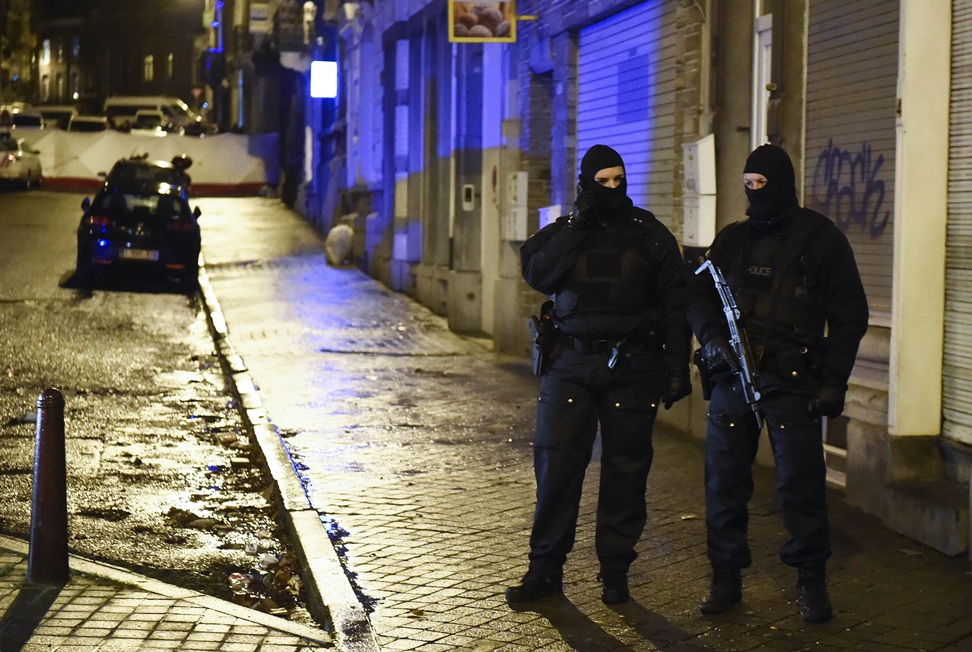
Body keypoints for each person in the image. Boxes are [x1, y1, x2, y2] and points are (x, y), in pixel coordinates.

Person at [687, 144, 869, 623]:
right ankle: (725, 577)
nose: (754, 194)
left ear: (783, 184)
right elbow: (697, 295)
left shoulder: (820, 239)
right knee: (724, 483)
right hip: (733, 380)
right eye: (747, 185)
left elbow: (850, 317)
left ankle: (811, 579)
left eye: (762, 185)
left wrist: (834, 381)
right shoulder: (731, 241)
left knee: (800, 486)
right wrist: (711, 340)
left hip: (794, 381)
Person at [507, 144, 692, 605]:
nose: (612, 189)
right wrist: (578, 225)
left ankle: (615, 571)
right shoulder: (565, 232)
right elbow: (539, 274)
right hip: (570, 366)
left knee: (626, 471)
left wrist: (676, 367)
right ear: (586, 184)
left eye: (618, 180)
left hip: (633, 368)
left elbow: (675, 304)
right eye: (603, 182)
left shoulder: (648, 233)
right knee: (556, 470)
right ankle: (545, 571)